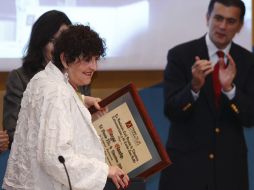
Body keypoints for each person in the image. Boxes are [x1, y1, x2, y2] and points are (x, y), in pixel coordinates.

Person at [2, 24, 129, 190]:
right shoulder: (57, 93)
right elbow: (55, 158)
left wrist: (82, 101)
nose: (93, 67)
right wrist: (105, 170)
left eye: (96, 59)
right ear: (64, 59)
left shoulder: (42, 79)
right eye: (87, 59)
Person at [159, 0, 254, 190]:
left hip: (230, 170)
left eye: (230, 21)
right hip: (186, 169)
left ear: (240, 26)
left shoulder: (247, 61)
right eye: (218, 18)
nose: (222, 26)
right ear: (207, 18)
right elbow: (171, 111)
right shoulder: (180, 55)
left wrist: (230, 90)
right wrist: (193, 87)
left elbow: (250, 118)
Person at [3, 10, 90, 147]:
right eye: (53, 41)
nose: (58, 47)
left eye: (64, 41)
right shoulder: (20, 78)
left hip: (77, 154)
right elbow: (13, 132)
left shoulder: (78, 74)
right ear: (40, 43)